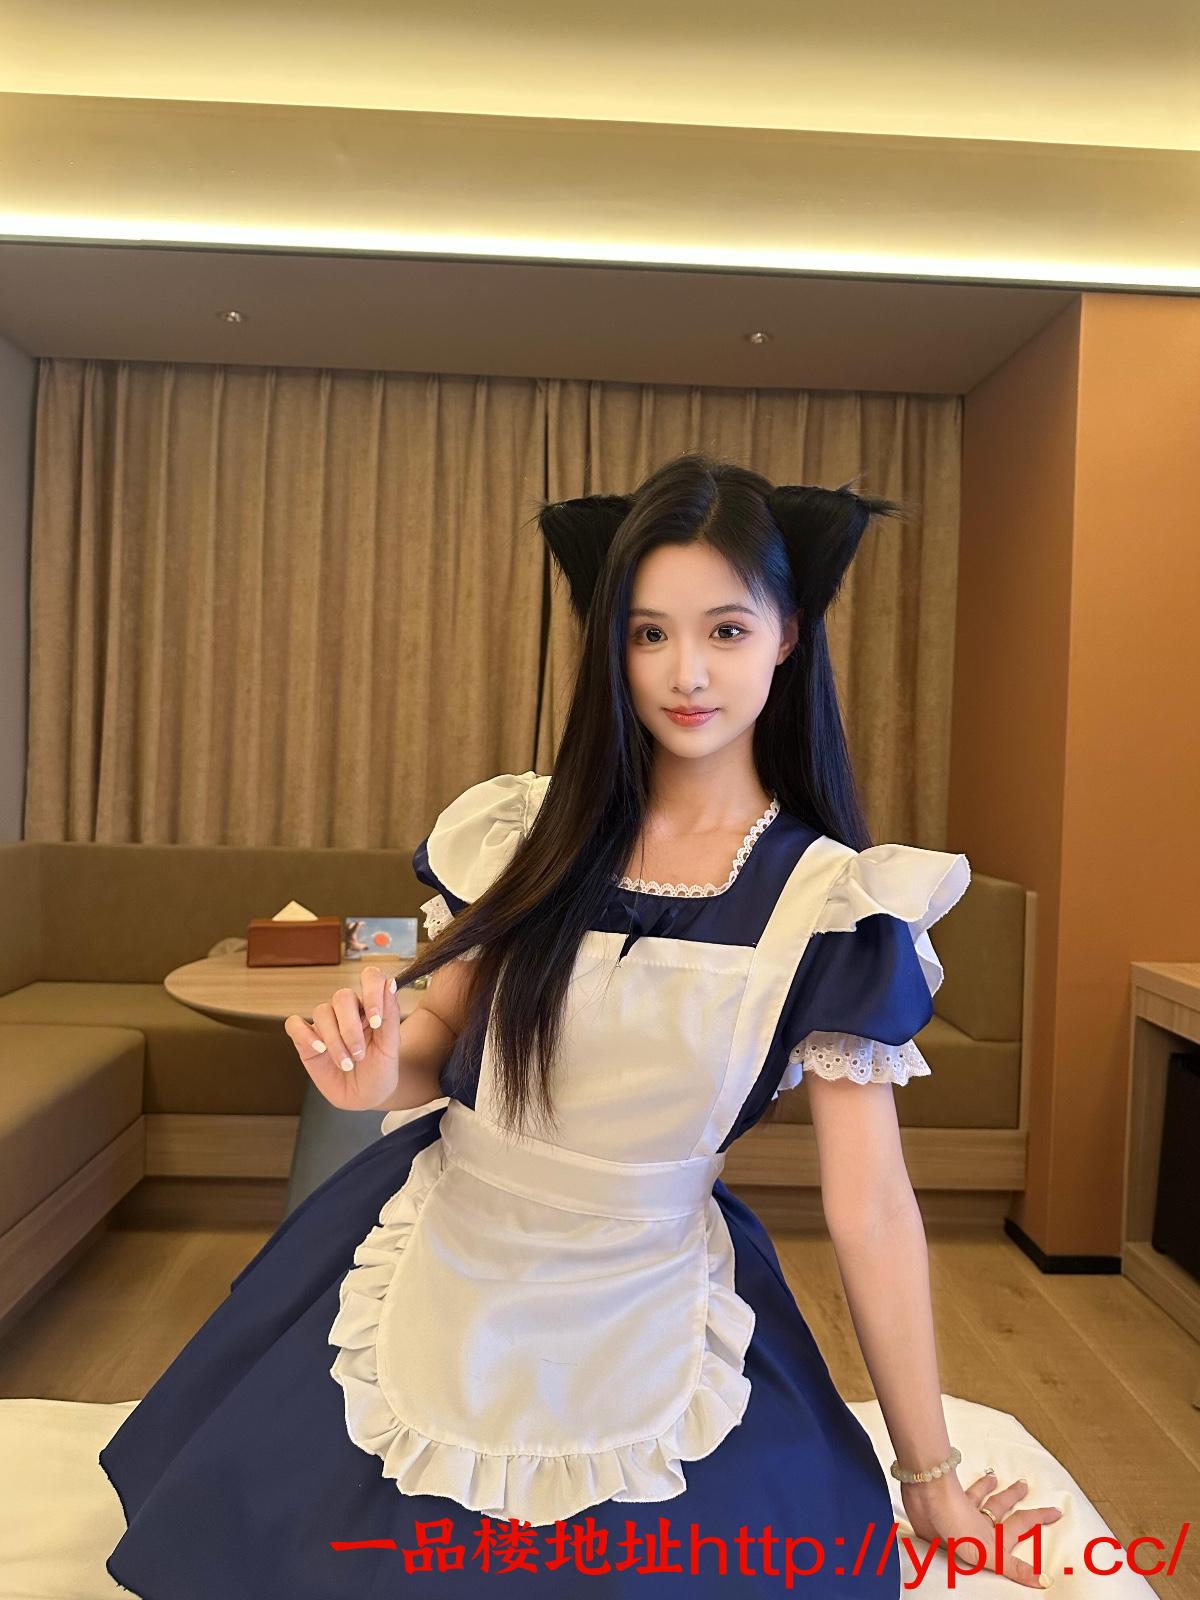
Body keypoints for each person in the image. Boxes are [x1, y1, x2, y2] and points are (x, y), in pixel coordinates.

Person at [98, 452, 1061, 1595]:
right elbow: (440, 1037)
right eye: (649, 634)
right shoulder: (528, 832)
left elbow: (873, 1206)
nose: (685, 672)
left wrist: (932, 1477)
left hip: (648, 1287)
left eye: (726, 630)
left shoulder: (834, 903)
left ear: (787, 637)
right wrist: (376, 1075)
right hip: (449, 1241)